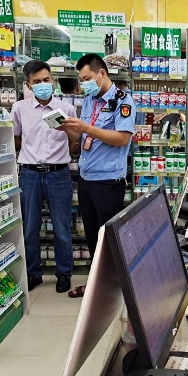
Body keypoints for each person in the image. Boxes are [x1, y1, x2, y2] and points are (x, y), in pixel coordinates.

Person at [58, 53, 135, 298]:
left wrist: (87, 128)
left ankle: (115, 288)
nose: (84, 84)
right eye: (81, 80)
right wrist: (68, 130)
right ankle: (95, 287)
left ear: (102, 73)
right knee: (92, 234)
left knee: (109, 237)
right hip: (87, 178)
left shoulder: (124, 101)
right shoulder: (90, 100)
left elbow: (122, 138)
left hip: (109, 180)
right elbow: (82, 140)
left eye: (87, 78)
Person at [12, 60, 76, 293]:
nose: (42, 85)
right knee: (30, 227)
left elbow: (74, 140)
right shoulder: (20, 108)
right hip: (29, 174)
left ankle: (64, 274)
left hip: (58, 174)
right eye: (36, 82)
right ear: (28, 85)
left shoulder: (66, 109)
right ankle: (33, 273)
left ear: (53, 80)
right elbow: (16, 138)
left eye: (46, 80)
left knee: (61, 227)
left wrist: (59, 154)